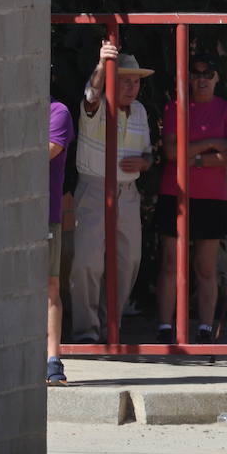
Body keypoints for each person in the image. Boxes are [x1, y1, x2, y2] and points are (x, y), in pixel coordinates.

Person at [154, 54, 227, 345]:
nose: (202, 79)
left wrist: (196, 159)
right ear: (188, 78)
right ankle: (166, 326)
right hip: (175, 192)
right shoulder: (174, 107)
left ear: (217, 78)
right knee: (170, 262)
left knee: (205, 266)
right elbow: (169, 153)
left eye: (209, 73)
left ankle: (205, 327)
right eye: (196, 74)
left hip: (211, 196)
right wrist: (209, 144)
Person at [70, 41, 153, 343]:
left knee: (128, 261)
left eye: (136, 82)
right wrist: (100, 65)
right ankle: (86, 332)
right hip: (94, 187)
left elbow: (149, 154)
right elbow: (91, 95)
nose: (132, 88)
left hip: (128, 191)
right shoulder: (97, 106)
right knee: (87, 262)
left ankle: (110, 328)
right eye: (125, 81)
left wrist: (144, 163)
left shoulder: (141, 112)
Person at [47, 96, 75, 383]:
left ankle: (52, 359)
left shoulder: (58, 111)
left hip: (45, 214)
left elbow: (49, 150)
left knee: (49, 285)